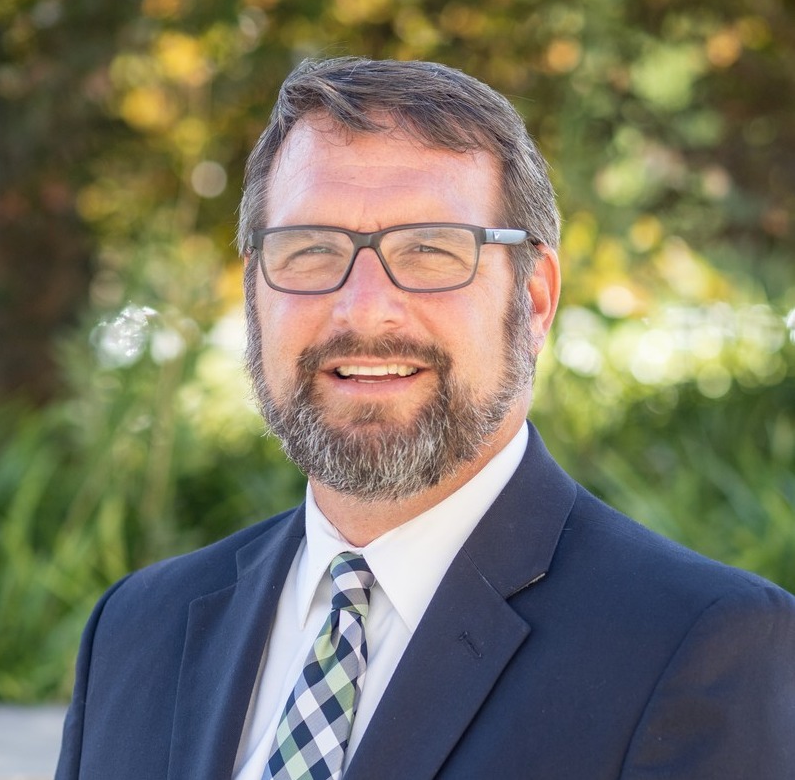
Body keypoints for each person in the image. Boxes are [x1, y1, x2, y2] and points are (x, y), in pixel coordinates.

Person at [56, 57, 795, 780]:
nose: (364, 308)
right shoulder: (136, 628)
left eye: (430, 250)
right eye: (310, 249)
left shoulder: (702, 643)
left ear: (532, 299)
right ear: (254, 291)